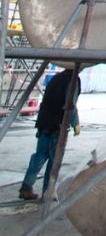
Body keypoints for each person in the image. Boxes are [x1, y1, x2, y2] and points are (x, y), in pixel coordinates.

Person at [19, 68, 81, 201]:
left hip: (44, 123)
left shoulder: (57, 78)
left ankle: (26, 187)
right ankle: (48, 190)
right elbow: (70, 104)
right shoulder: (72, 80)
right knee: (54, 160)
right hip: (57, 125)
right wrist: (75, 123)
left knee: (39, 156)